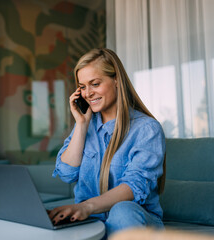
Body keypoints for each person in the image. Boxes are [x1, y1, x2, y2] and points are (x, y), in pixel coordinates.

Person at [49, 48, 166, 237]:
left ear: (117, 80)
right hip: (91, 220)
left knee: (122, 211)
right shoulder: (86, 126)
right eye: (83, 87)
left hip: (134, 221)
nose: (88, 93)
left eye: (95, 84)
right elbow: (66, 173)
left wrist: (87, 207)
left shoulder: (146, 129)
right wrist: (81, 125)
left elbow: (135, 185)